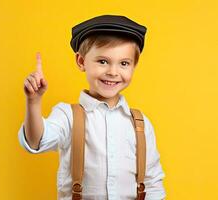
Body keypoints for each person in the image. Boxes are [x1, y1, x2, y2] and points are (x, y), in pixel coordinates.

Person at [17, 15, 166, 199]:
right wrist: (33, 102)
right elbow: (36, 142)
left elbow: (152, 182)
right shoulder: (67, 116)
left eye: (124, 63)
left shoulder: (140, 124)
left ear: (134, 66)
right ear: (81, 62)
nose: (113, 72)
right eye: (103, 61)